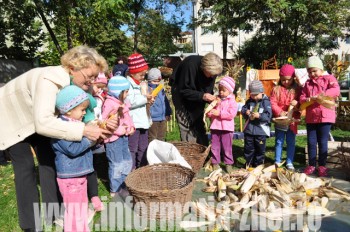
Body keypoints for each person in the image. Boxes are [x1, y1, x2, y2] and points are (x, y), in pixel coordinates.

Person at [0, 45, 118, 231]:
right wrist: (85, 131)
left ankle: (53, 214)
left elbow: (85, 115)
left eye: (95, 77)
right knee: (25, 169)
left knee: (49, 162)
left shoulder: (78, 84)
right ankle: (31, 225)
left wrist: (100, 126)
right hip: (12, 117)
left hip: (38, 118)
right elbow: (43, 123)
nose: (93, 82)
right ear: (73, 68)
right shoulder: (49, 79)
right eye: (90, 76)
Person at [51, 85, 95, 232]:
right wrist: (90, 140)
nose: (84, 113)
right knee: (74, 210)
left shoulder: (74, 123)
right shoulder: (61, 127)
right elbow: (72, 149)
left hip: (78, 173)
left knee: (81, 206)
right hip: (70, 177)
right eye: (82, 110)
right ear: (69, 109)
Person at [171, 52, 223, 146]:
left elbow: (208, 88)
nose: (212, 77)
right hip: (181, 92)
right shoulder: (189, 66)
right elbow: (183, 90)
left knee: (198, 122)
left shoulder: (212, 72)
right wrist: (202, 96)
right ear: (204, 68)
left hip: (197, 93)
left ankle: (202, 151)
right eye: (211, 74)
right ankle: (190, 153)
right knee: (186, 124)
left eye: (214, 75)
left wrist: (212, 100)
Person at [300, 56, 340, 177]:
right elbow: (302, 98)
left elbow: (336, 90)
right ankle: (311, 165)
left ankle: (322, 166)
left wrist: (322, 95)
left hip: (325, 116)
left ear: (321, 69)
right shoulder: (307, 83)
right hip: (311, 117)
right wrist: (308, 99)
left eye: (314, 71)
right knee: (311, 142)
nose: (312, 74)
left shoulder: (329, 79)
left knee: (323, 142)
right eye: (309, 71)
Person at [102, 75, 135, 197]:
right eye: (126, 91)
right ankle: (114, 189)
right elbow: (104, 122)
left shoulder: (122, 102)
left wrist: (131, 127)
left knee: (126, 160)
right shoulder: (109, 104)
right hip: (113, 139)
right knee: (116, 163)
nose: (127, 94)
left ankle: (124, 183)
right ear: (118, 91)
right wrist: (119, 130)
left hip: (123, 137)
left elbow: (127, 117)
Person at [270, 64, 302, 170]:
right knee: (279, 141)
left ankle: (289, 161)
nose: (286, 82)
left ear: (293, 78)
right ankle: (277, 160)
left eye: (288, 80)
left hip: (292, 121)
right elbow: (273, 103)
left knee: (290, 141)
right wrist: (280, 112)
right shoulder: (276, 89)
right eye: (283, 80)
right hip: (281, 120)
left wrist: (296, 104)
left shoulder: (297, 90)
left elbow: (302, 102)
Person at [126, 53, 154, 169]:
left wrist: (148, 101)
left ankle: (142, 169)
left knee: (143, 147)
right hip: (134, 122)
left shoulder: (141, 84)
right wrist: (144, 99)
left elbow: (142, 101)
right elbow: (129, 102)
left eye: (144, 74)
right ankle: (132, 171)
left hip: (143, 122)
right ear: (133, 73)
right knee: (132, 148)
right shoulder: (128, 85)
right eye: (141, 74)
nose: (143, 77)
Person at [206, 76, 238, 173]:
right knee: (215, 145)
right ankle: (215, 162)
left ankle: (228, 163)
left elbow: (231, 114)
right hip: (215, 127)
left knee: (227, 147)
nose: (221, 92)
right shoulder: (216, 100)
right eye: (220, 90)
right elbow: (209, 111)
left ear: (230, 90)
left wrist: (219, 113)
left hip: (227, 129)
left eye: (223, 90)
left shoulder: (232, 101)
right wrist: (209, 113)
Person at [241, 80, 272, 167]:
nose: (254, 97)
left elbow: (268, 116)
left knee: (260, 149)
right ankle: (249, 163)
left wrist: (259, 116)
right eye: (252, 94)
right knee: (248, 148)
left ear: (262, 92)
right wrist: (245, 111)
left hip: (261, 131)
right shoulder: (249, 101)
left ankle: (258, 164)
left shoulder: (266, 102)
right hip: (249, 130)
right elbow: (243, 109)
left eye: (256, 94)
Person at [147, 68, 172, 143]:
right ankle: (151, 153)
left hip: (162, 117)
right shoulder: (147, 89)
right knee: (152, 138)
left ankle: (160, 153)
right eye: (154, 81)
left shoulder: (161, 89)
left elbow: (165, 101)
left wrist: (168, 112)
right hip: (153, 118)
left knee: (161, 137)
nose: (156, 83)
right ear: (149, 80)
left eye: (158, 81)